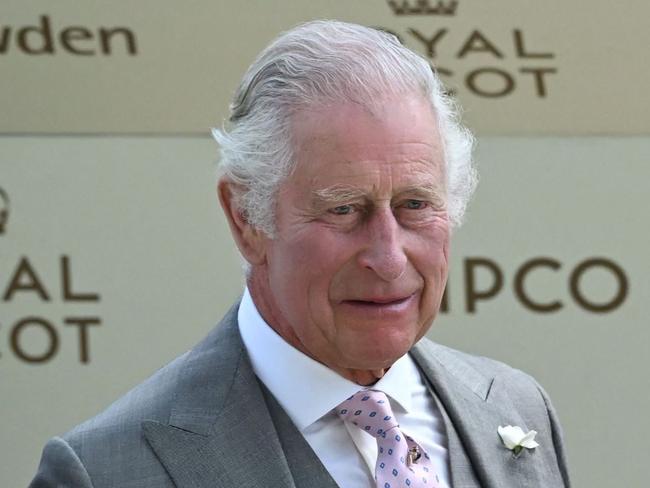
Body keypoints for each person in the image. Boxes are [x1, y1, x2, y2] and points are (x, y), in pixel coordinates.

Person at [30, 20, 570, 488]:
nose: (388, 257)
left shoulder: (516, 410)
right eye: (342, 210)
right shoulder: (105, 472)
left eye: (413, 204)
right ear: (246, 218)